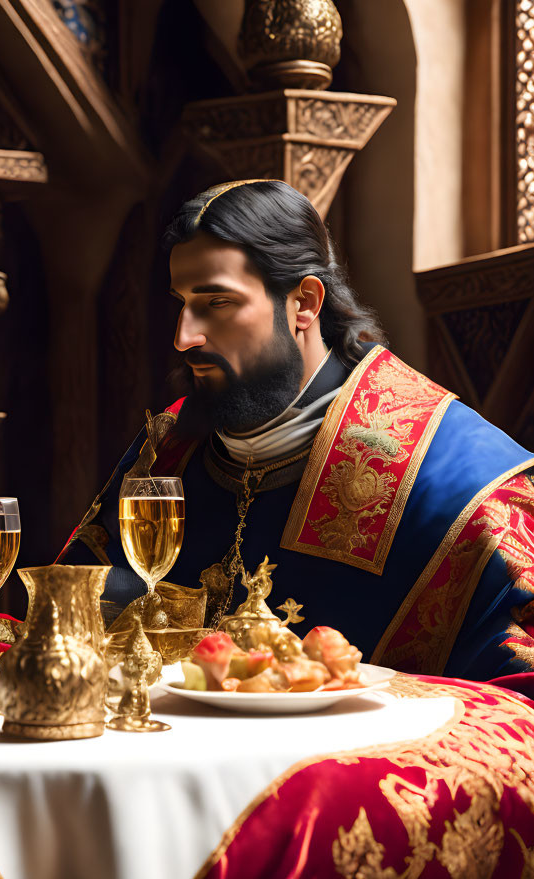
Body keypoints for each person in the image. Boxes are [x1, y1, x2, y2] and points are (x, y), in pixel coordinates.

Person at [59, 179, 534, 686]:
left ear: (304, 302)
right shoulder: (170, 448)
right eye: (182, 302)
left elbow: (516, 709)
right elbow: (61, 626)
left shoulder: (469, 489)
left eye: (216, 302)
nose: (184, 337)